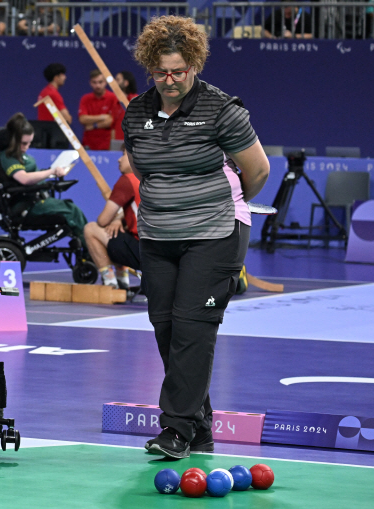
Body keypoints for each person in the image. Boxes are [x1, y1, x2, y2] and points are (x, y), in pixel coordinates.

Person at [122, 16, 269, 459]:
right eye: (161, 72)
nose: (169, 81)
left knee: (192, 329)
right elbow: (143, 171)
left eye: (178, 72)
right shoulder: (136, 111)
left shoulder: (222, 109)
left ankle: (176, 429)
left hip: (216, 232)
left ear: (194, 67)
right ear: (150, 67)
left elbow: (258, 170)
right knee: (165, 327)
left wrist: (220, 202)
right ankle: (199, 425)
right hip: (158, 235)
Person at [0, 112, 87, 243]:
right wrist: (52, 171)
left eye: (29, 143)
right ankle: (89, 253)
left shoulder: (21, 156)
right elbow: (24, 179)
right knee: (72, 211)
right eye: (23, 143)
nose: (26, 147)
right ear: (13, 140)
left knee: (71, 207)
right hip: (28, 206)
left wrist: (50, 172)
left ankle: (86, 249)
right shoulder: (8, 157)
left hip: (37, 200)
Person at [83, 147, 141, 290]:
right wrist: (120, 219)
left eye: (123, 155)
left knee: (91, 229)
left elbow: (103, 220)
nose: (119, 159)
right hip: (168, 251)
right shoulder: (152, 177)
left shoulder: (127, 180)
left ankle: (111, 284)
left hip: (146, 253)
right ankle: (123, 280)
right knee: (120, 230)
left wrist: (114, 220)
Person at [78, 69, 118, 151]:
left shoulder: (112, 98)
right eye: (94, 82)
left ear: (105, 82)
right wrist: (103, 117)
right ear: (90, 83)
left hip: (106, 145)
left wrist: (93, 126)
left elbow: (111, 121)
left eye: (100, 82)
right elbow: (82, 119)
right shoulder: (85, 99)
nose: (98, 86)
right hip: (88, 144)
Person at [112, 71, 139, 141]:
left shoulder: (136, 99)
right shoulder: (114, 101)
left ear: (126, 83)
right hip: (116, 142)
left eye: (117, 80)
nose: (114, 83)